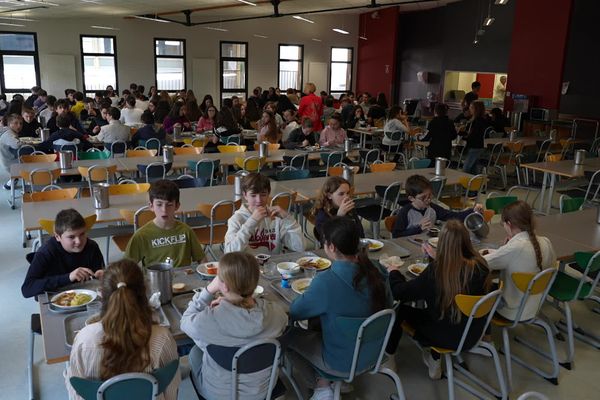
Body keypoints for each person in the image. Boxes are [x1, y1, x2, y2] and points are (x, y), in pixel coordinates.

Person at [286, 217, 391, 399]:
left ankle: (321, 384)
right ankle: (334, 383)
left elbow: (295, 312)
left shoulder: (326, 282)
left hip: (340, 362)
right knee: (322, 320)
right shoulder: (377, 269)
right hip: (374, 353)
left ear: (331, 247)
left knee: (286, 335)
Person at [384, 220, 491, 379]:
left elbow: (401, 292)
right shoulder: (481, 265)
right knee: (442, 309)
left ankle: (389, 357)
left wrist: (394, 272)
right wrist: (437, 259)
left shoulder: (437, 271)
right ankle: (434, 359)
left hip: (443, 334)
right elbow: (454, 274)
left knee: (400, 308)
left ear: (442, 244)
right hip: (472, 333)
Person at [65, 259, 180, 400]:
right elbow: (171, 392)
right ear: (145, 292)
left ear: (102, 294)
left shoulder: (85, 340)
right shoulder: (162, 338)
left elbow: (78, 393)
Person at [180, 252, 287, 400]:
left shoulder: (208, 320)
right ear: (256, 283)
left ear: (222, 285)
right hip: (262, 392)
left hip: (218, 395)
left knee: (195, 353)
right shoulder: (276, 313)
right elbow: (283, 321)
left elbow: (184, 321)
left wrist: (209, 290)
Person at [484, 201, 557, 321]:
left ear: (509, 224)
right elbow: (552, 265)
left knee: (479, 286)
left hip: (511, 310)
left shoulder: (514, 248)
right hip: (534, 306)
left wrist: (501, 249)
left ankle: (485, 335)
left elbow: (482, 263)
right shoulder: (545, 242)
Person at [21, 209, 104, 298]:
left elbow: (97, 276)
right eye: (71, 237)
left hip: (86, 295)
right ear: (57, 237)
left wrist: (102, 275)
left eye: (82, 234)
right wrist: (68, 277)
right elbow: (27, 289)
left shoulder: (92, 247)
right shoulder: (46, 252)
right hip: (55, 296)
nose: (79, 241)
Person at [125, 179, 207, 268]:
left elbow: (202, 259)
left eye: (169, 205)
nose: (164, 210)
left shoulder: (186, 231)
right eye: (159, 205)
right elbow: (126, 267)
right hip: (156, 279)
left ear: (177, 206)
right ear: (151, 206)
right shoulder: (141, 236)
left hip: (183, 280)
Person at [224, 173, 304, 254]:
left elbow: (299, 248)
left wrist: (288, 219)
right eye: (253, 195)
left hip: (273, 264)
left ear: (268, 194)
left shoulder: (276, 217)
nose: (259, 200)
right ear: (245, 195)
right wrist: (252, 221)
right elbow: (229, 253)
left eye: (263, 195)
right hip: (248, 265)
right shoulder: (236, 220)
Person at [392, 175, 483, 238]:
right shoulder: (405, 212)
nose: (428, 200)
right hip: (410, 247)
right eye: (423, 197)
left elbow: (453, 216)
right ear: (411, 198)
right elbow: (396, 235)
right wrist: (418, 228)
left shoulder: (432, 208)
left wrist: (473, 211)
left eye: (430, 195)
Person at [311, 176, 364, 244]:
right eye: (341, 194)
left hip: (351, 246)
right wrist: (339, 217)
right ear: (329, 196)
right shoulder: (322, 215)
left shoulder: (349, 209)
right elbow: (330, 240)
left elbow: (360, 232)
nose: (346, 197)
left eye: (347, 193)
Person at [460, 101, 489, 174]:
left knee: (466, 168)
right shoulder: (482, 120)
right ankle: (474, 183)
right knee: (473, 167)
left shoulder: (477, 121)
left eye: (471, 107)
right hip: (479, 145)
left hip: (474, 146)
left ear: (476, 109)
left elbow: (473, 134)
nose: (470, 109)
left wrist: (463, 135)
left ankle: (465, 183)